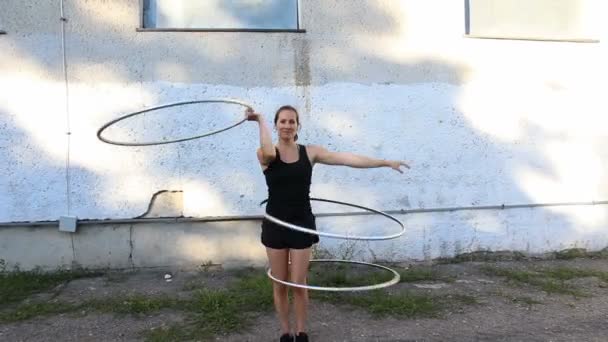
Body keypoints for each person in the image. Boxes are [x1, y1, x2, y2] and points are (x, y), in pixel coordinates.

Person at [246, 105, 409, 342]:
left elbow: (346, 159)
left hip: (302, 222)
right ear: (275, 125)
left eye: (292, 122)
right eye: (282, 121)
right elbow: (270, 153)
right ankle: (285, 332)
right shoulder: (264, 154)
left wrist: (384, 162)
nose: (287, 126)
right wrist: (259, 119)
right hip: (275, 225)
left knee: (299, 283)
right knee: (280, 283)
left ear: (298, 126)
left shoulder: (310, 153)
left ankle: (301, 332)